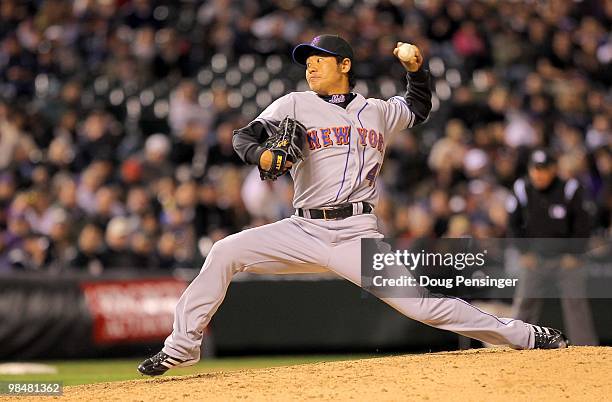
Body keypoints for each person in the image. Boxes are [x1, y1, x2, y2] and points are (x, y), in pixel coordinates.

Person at [138, 35, 568, 376]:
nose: (310, 64)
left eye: (320, 58)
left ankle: (526, 335)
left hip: (357, 236)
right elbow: (242, 138)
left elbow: (417, 106)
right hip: (302, 230)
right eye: (307, 59)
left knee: (421, 305)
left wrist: (416, 69)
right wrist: (262, 156)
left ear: (344, 66)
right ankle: (180, 348)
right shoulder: (293, 103)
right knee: (224, 251)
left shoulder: (376, 111)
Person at [508, 149, 598, 345]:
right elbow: (513, 223)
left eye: (544, 169)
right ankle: (515, 346)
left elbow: (583, 224)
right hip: (534, 259)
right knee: (524, 303)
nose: (539, 174)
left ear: (554, 169)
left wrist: (575, 253)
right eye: (535, 169)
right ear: (530, 170)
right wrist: (523, 252)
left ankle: (587, 350)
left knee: (576, 305)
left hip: (566, 260)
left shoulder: (570, 188)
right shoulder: (522, 187)